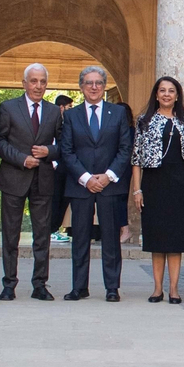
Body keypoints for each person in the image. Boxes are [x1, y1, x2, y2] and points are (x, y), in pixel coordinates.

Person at [60, 65, 133, 301]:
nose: (94, 87)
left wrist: (108, 175)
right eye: (89, 83)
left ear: (104, 86)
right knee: (80, 237)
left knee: (111, 237)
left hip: (109, 185)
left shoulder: (118, 113)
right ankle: (79, 287)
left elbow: (125, 148)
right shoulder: (71, 115)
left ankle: (112, 287)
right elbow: (67, 150)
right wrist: (86, 178)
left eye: (99, 83)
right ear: (81, 87)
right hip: (80, 185)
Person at [131, 76, 184, 303]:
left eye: (171, 91)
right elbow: (136, 158)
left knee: (175, 239)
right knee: (156, 238)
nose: (166, 94)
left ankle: (174, 289)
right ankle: (156, 289)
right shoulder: (144, 121)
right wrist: (137, 190)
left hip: (179, 183)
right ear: (156, 94)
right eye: (162, 90)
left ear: (177, 95)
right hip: (153, 183)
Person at [0, 63, 63, 301]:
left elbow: (64, 145)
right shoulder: (8, 107)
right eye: (33, 81)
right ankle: (9, 284)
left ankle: (40, 285)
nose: (38, 86)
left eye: (42, 81)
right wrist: (21, 159)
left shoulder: (54, 111)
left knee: (42, 235)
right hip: (14, 178)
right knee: (10, 235)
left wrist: (49, 151)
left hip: (43, 181)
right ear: (24, 83)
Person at [49, 92, 75, 238]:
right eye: (69, 107)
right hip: (54, 169)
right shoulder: (50, 120)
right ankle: (51, 230)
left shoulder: (68, 123)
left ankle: (55, 228)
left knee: (64, 199)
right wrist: (53, 162)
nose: (71, 109)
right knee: (54, 199)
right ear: (61, 107)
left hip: (66, 169)